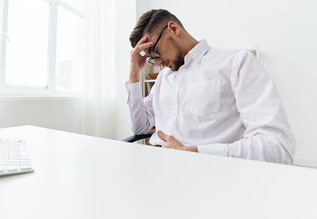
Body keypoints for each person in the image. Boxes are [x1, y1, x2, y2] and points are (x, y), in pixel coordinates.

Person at [125, 9, 296, 164]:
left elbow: (278, 147)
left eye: (155, 51)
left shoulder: (236, 62)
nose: (157, 61)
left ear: (173, 29)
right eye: (150, 57)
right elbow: (141, 127)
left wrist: (195, 152)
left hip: (209, 169)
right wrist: (134, 75)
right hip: (157, 165)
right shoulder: (164, 76)